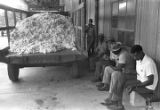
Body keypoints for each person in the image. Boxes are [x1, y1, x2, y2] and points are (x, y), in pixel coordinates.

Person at [98, 43, 136, 110]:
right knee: (107, 68)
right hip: (121, 70)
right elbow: (113, 63)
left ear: (119, 50)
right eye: (112, 51)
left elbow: (119, 68)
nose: (113, 52)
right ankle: (106, 85)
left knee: (115, 75)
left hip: (127, 72)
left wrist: (112, 66)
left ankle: (111, 98)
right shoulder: (116, 53)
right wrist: (109, 61)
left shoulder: (123, 54)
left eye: (114, 51)